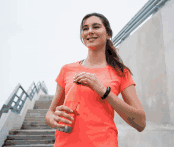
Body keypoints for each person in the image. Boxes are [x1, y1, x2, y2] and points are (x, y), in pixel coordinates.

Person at [45, 12, 146, 147]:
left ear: (108, 34)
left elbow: (140, 123)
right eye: (85, 28)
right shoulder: (67, 70)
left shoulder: (121, 72)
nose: (90, 31)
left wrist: (104, 91)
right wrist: (52, 119)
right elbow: (50, 113)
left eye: (96, 27)